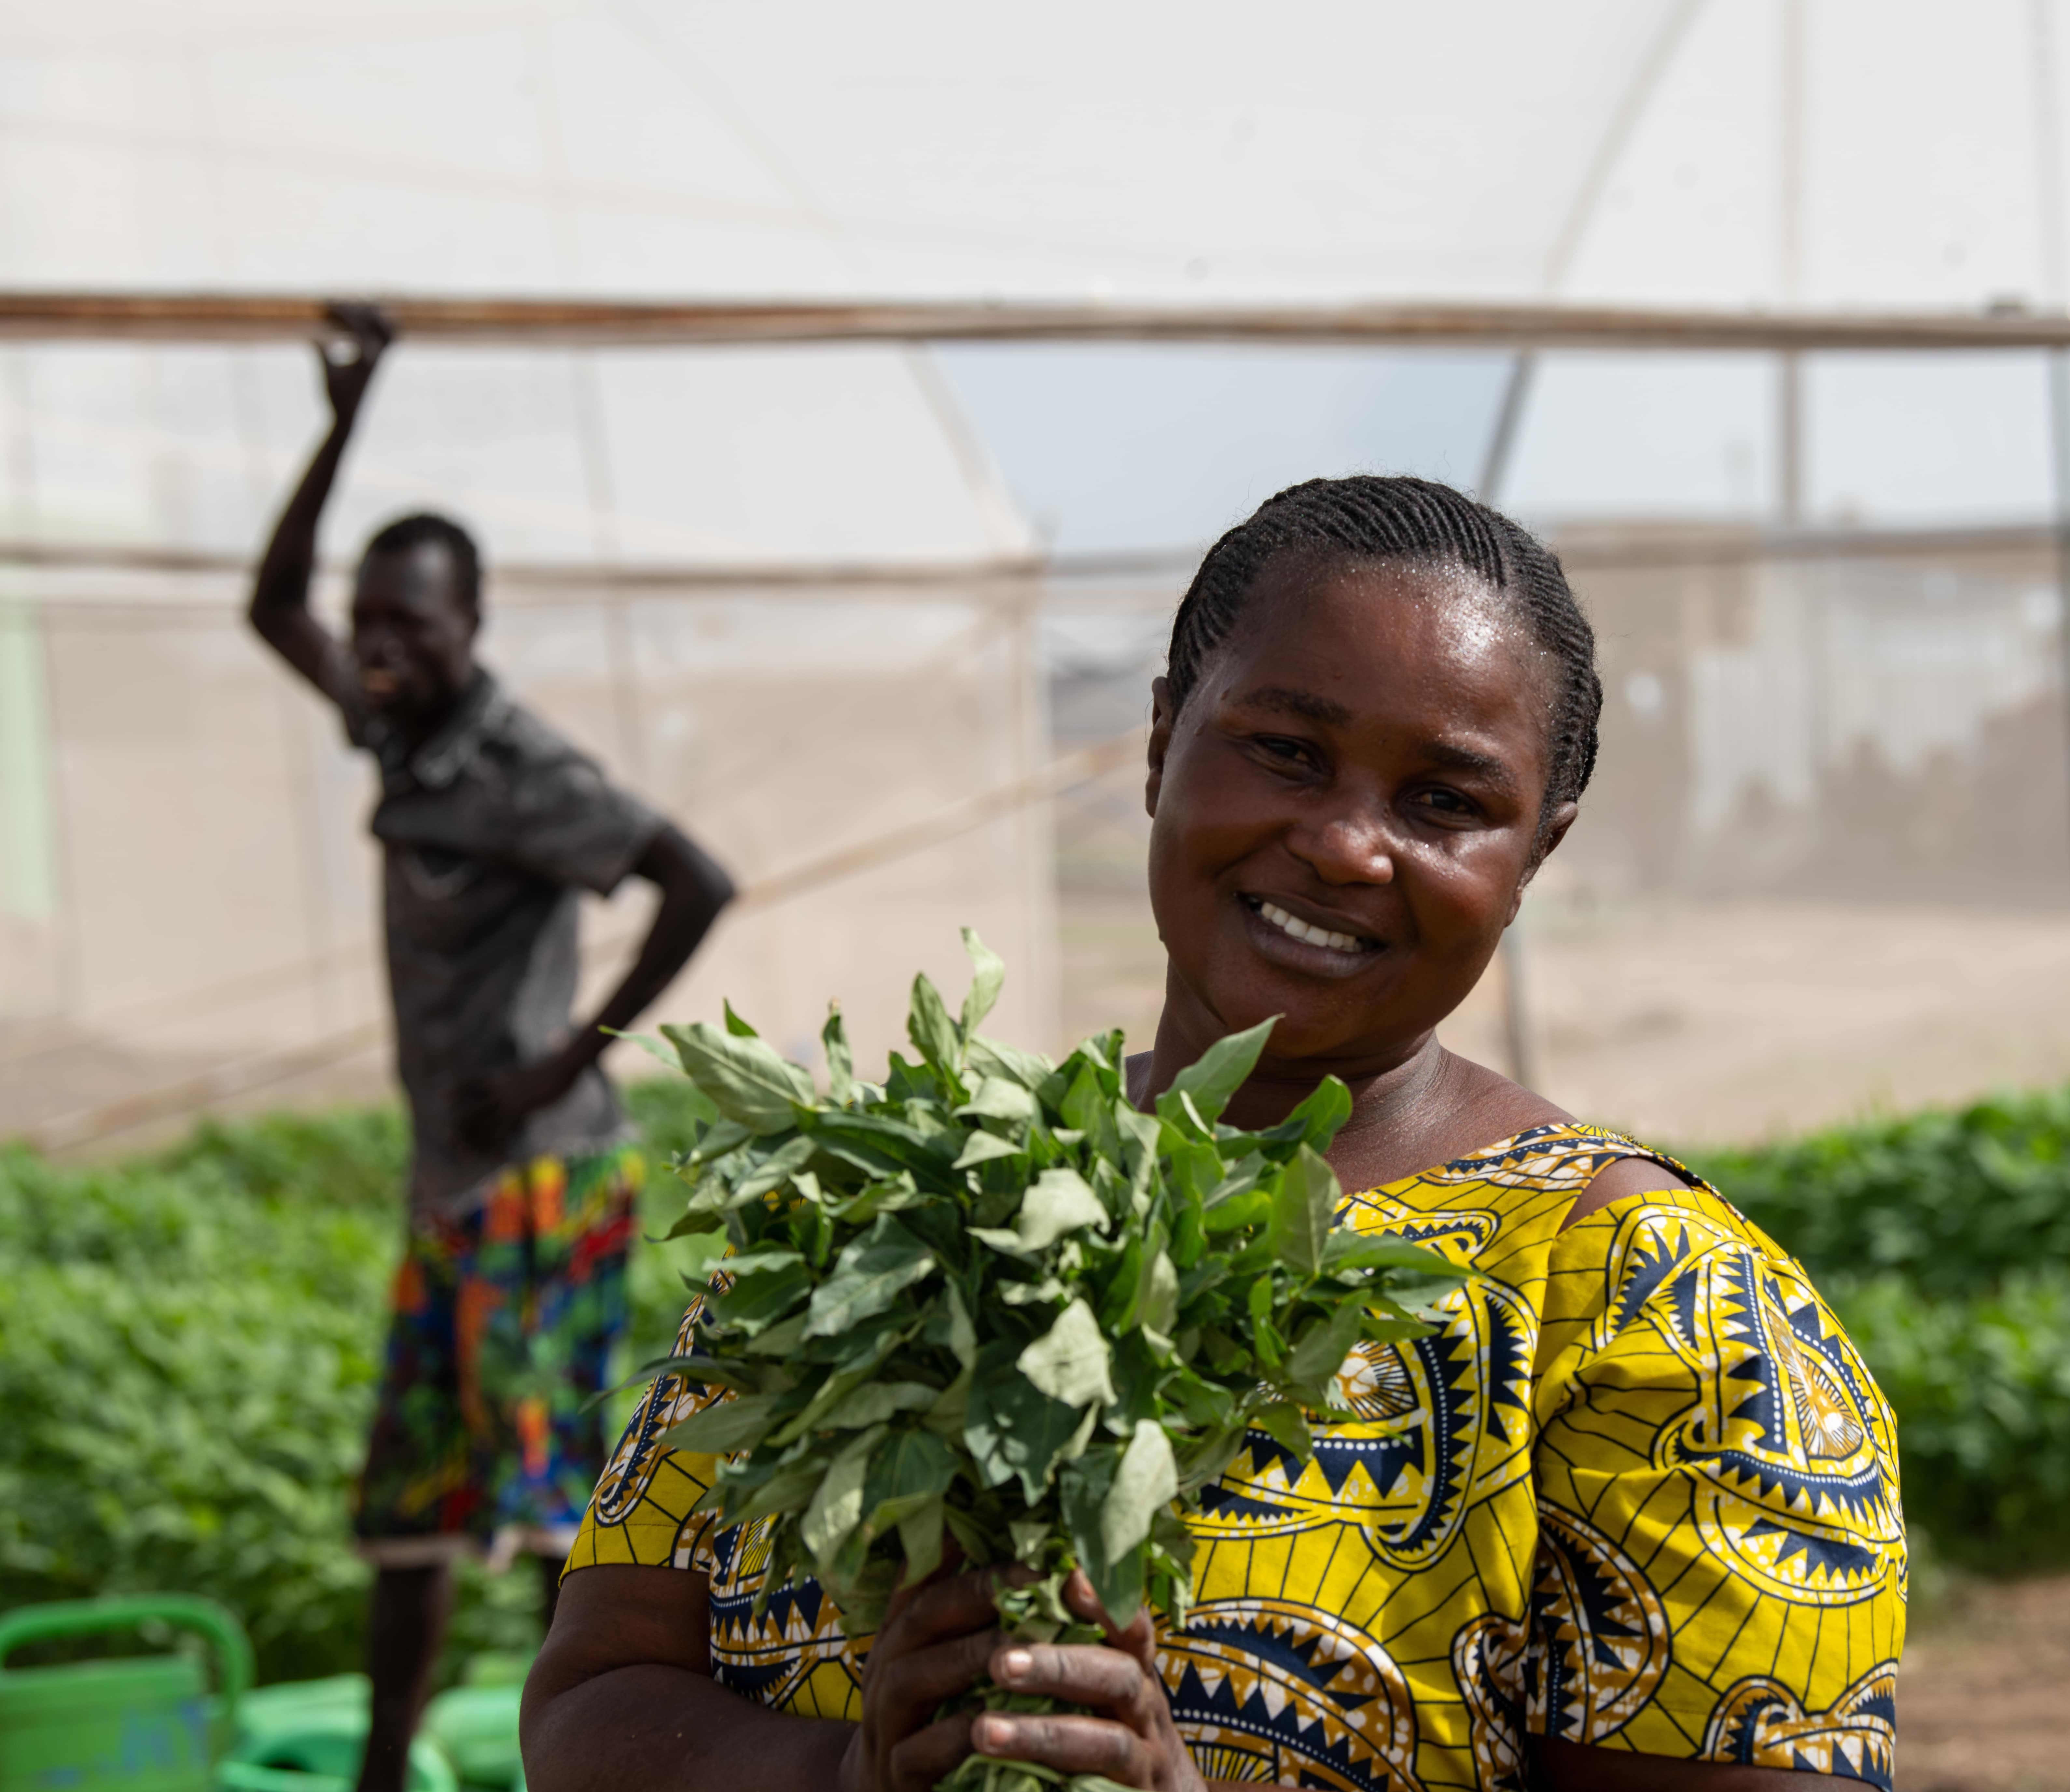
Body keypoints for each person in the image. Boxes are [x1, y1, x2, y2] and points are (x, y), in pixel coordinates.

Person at [521, 478, 1906, 1792]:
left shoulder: (1655, 1302)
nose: (1348, 845)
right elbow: (593, 1695)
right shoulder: (902, 1209)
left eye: (1445, 802)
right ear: (1160, 743)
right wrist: (846, 1773)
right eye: (1288, 753)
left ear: (1534, 853)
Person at [247, 304, 738, 1792]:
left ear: (474, 626)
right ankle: (383, 1770)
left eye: (413, 624)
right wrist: (345, 414)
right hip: (449, 1184)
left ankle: (586, 1762)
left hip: (541, 1179)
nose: (380, 648)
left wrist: (560, 1062)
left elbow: (695, 879)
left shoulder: (525, 770)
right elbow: (273, 606)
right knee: (413, 1500)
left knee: (543, 1504)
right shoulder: (402, 733)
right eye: (372, 622)